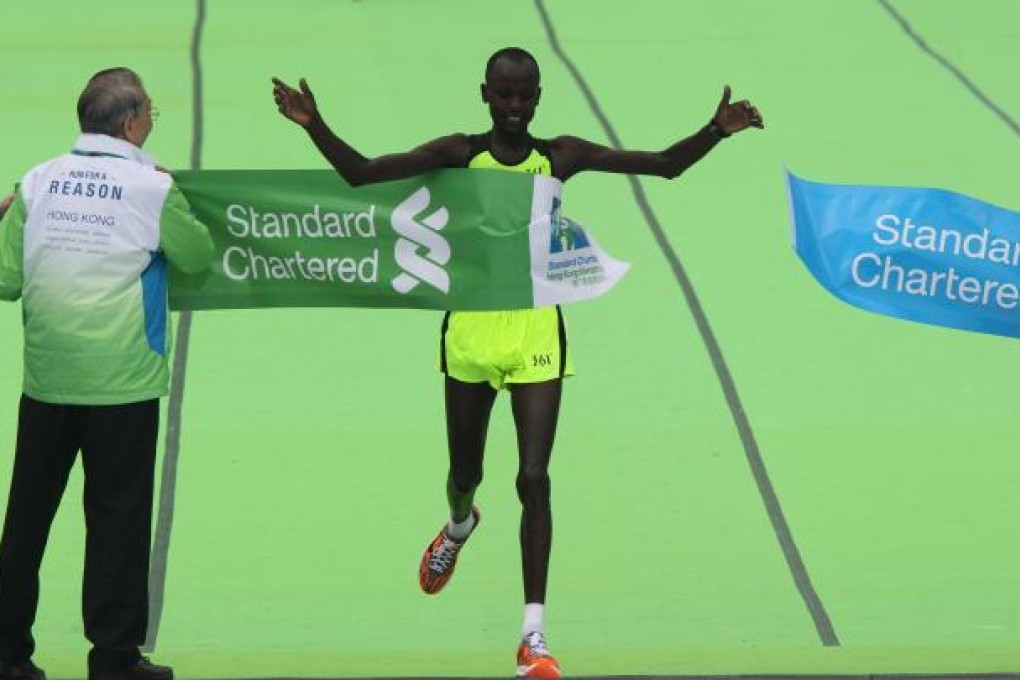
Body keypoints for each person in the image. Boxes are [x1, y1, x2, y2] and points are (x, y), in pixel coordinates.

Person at [272, 46, 763, 679]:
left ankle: (533, 637)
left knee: (534, 478)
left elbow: (664, 166)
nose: (513, 106)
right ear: (484, 94)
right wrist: (314, 124)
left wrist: (716, 132)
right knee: (464, 471)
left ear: (538, 97)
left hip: (537, 329)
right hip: (471, 331)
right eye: (503, 94)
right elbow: (363, 173)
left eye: (524, 94)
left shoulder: (561, 156)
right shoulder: (458, 153)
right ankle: (457, 525)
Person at [0, 68, 214, 680]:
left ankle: (7, 653)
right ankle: (114, 659)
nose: (152, 117)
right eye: (151, 108)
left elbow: (5, 279)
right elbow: (196, 256)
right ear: (131, 123)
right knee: (117, 521)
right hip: (122, 382)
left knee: (27, 518)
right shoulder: (150, 187)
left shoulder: (37, 182)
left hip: (46, 380)